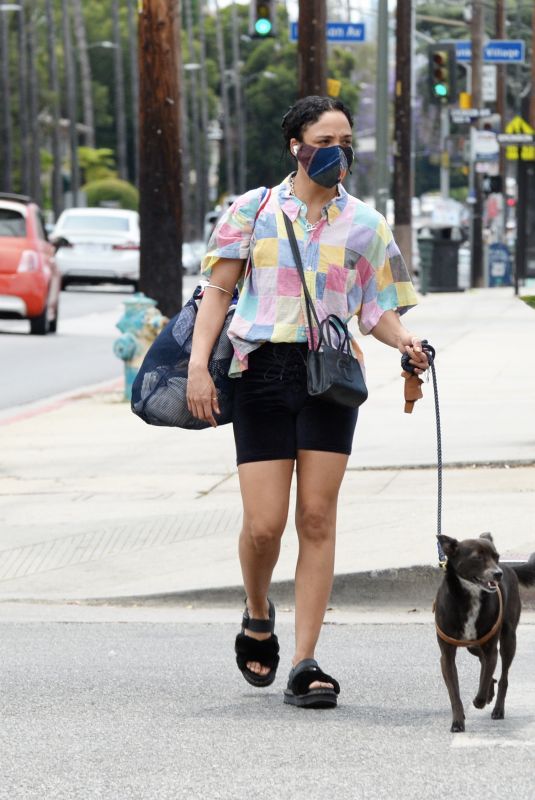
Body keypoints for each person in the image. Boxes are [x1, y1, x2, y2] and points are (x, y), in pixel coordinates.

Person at [187, 95, 429, 709]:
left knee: (317, 519)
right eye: (327, 140)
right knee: (264, 525)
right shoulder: (252, 210)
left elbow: (378, 308)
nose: (339, 151)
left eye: (346, 140)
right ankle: (258, 611)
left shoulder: (366, 225)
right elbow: (217, 293)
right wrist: (198, 369)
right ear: (296, 146)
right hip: (260, 371)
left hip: (330, 378)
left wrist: (407, 341)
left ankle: (304, 662)